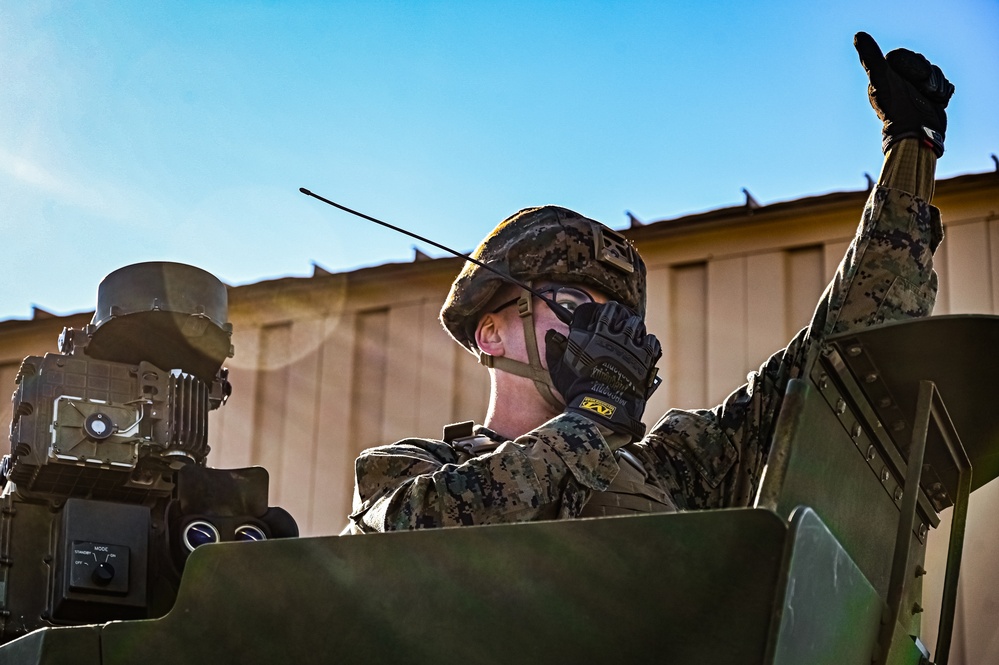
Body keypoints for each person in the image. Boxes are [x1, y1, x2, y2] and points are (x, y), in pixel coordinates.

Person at [343, 32, 954, 533]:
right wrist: (593, 420)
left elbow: (836, 364)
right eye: (573, 303)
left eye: (618, 318)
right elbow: (413, 536)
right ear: (493, 333)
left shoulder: (674, 469)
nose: (602, 330)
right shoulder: (405, 473)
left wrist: (911, 153)